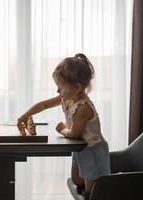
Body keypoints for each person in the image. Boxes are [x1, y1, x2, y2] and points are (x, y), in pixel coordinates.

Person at [17, 53, 110, 200]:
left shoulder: (83, 108)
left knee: (93, 193)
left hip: (92, 149)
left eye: (60, 87)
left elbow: (73, 134)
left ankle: (109, 183)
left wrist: (61, 129)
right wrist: (25, 115)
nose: (58, 91)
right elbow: (44, 104)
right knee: (76, 180)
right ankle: (100, 180)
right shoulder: (66, 98)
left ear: (78, 87)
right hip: (80, 147)